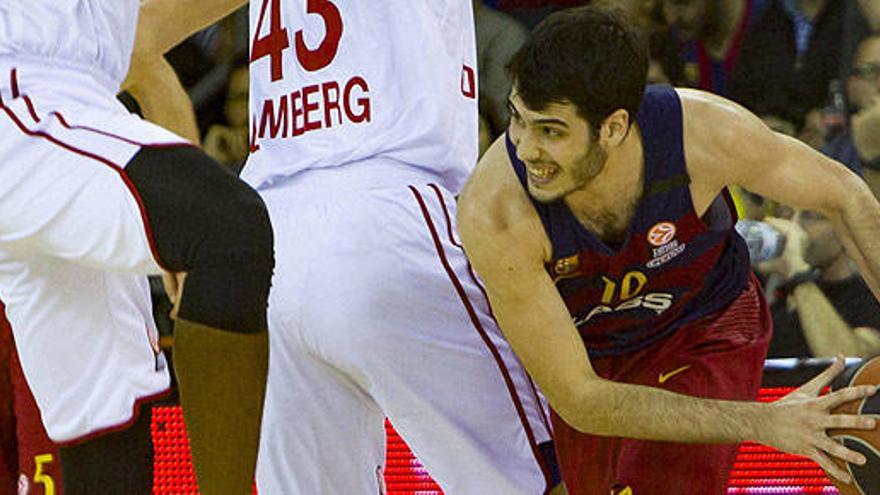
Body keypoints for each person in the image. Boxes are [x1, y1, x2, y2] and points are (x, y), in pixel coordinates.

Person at [130, 0, 558, 494]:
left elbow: (137, 39)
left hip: (267, 238)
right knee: (543, 476)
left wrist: (180, 216)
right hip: (386, 202)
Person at [457, 6, 880, 495]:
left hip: (704, 323)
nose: (527, 148)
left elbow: (845, 196)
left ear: (613, 127)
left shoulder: (703, 134)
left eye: (551, 130)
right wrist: (763, 421)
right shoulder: (495, 213)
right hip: (596, 357)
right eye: (518, 119)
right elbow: (580, 398)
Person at [0, 1, 274, 494]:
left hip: (82, 110)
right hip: (19, 90)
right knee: (229, 229)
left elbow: (145, 46)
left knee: (110, 439)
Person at [760, 209, 880, 358]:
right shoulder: (775, 293)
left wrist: (797, 271)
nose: (794, 226)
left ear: (846, 232)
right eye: (787, 214)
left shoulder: (868, 294)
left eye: (809, 217)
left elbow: (845, 360)